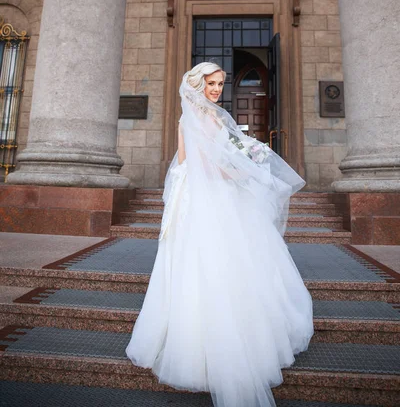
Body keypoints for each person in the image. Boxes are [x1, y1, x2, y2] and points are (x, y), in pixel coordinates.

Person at [126, 62, 314, 407]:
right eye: (211, 83)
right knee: (208, 263)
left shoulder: (209, 117)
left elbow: (204, 160)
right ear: (197, 84)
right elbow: (190, 162)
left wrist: (245, 160)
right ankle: (205, 348)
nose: (216, 89)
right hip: (207, 199)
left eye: (220, 84)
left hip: (215, 196)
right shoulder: (195, 119)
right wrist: (242, 171)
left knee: (233, 263)